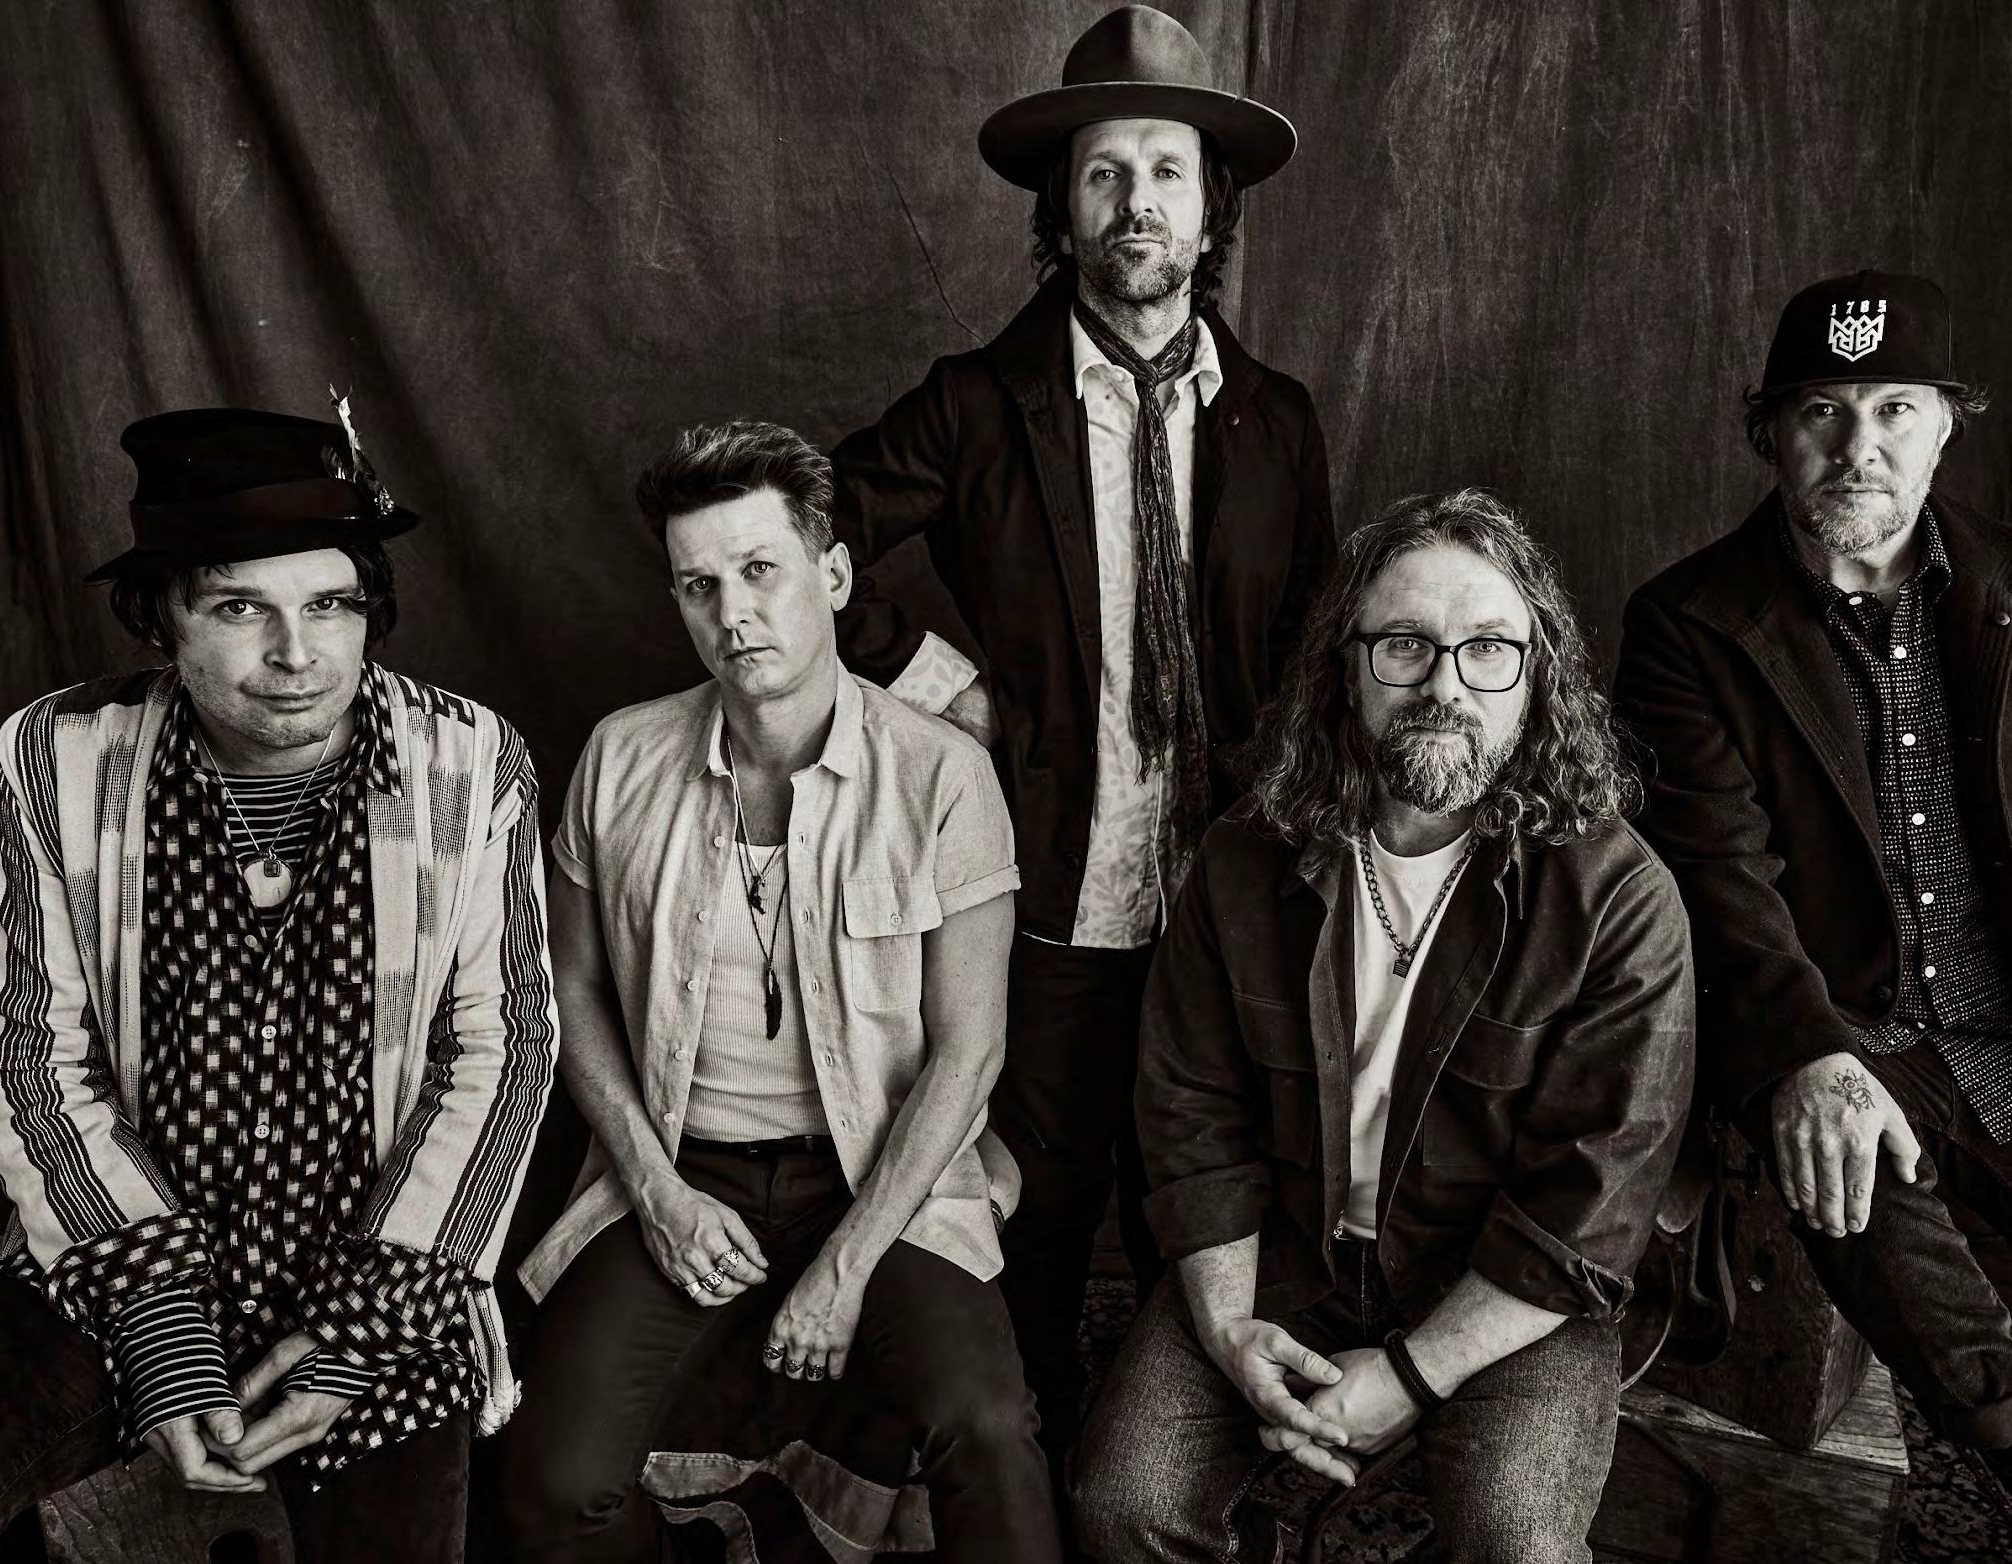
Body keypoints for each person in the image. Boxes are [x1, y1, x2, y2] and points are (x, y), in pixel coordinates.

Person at [829, 3, 1334, 1482]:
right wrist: (940, 681)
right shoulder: (979, 404)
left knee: (1215, 1193)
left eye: (1165, 171)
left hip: (1226, 891)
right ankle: (1030, 1480)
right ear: (1063, 207)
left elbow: (1311, 643)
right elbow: (803, 540)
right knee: (1039, 1210)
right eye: (1104, 173)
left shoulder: (1276, 420)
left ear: (1211, 206)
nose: (1135, 203)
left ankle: (1188, 1471)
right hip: (1051, 887)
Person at [1617, 270, 2012, 1561]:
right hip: (1843, 1038)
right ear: (1767, 432)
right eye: (1820, 410)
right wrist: (1800, 1056)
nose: (1857, 445)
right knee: (1907, 1261)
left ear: (1944, 427)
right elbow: (1712, 876)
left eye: (1892, 409)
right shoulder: (1688, 624)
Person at [0, 403, 558, 1562]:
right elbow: (32, 1052)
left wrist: (369, 1327)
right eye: (241, 607)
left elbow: (502, 1048)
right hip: (113, 1264)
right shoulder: (50, 759)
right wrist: (157, 1323)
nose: (298, 652)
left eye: (330, 604)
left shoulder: (471, 761)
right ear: (161, 620)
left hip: (378, 1284)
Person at [1075, 491, 1694, 1562]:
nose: (1445, 685)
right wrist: (1229, 1332)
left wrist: (1407, 1378)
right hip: (1282, 1259)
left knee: (1514, 1542)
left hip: (1501, 1287)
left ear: (1536, 675)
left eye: (1487, 649)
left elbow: (1588, 1206)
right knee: (1120, 1502)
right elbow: (1190, 1114)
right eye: (1406, 645)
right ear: (1346, 669)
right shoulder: (1242, 858)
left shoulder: (1616, 899)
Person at [507, 420, 1058, 1562]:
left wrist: (846, 1270)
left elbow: (970, 1052)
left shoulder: (943, 773)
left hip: (885, 1173)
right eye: (698, 585)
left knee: (989, 1430)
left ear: (834, 575)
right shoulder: (619, 758)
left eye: (761, 570)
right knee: (552, 1478)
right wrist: (654, 1189)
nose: (733, 613)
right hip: (681, 1160)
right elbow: (570, 989)